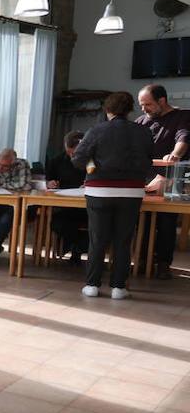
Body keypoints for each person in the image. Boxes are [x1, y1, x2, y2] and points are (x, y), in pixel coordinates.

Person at [73, 91, 154, 300]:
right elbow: (148, 162)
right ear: (129, 110)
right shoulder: (144, 132)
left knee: (97, 239)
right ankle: (119, 287)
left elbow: (79, 159)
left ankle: (92, 285)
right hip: (132, 191)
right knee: (123, 240)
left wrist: (92, 168)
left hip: (99, 190)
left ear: (107, 109)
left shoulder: (96, 130)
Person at [136, 84, 189, 279]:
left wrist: (174, 155)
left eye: (147, 104)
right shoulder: (142, 121)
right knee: (142, 220)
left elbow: (183, 138)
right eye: (141, 105)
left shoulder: (183, 116)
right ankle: (141, 260)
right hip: (145, 178)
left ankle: (163, 263)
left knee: (166, 222)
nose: (144, 109)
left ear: (162, 101)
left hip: (171, 178)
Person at [46, 130, 89, 262]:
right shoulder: (57, 161)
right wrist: (50, 183)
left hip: (88, 208)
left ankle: (76, 247)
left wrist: (90, 184)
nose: (71, 156)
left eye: (74, 153)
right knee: (56, 224)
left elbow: (97, 177)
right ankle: (77, 246)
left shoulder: (92, 161)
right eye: (69, 152)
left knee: (101, 227)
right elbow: (48, 180)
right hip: (65, 207)